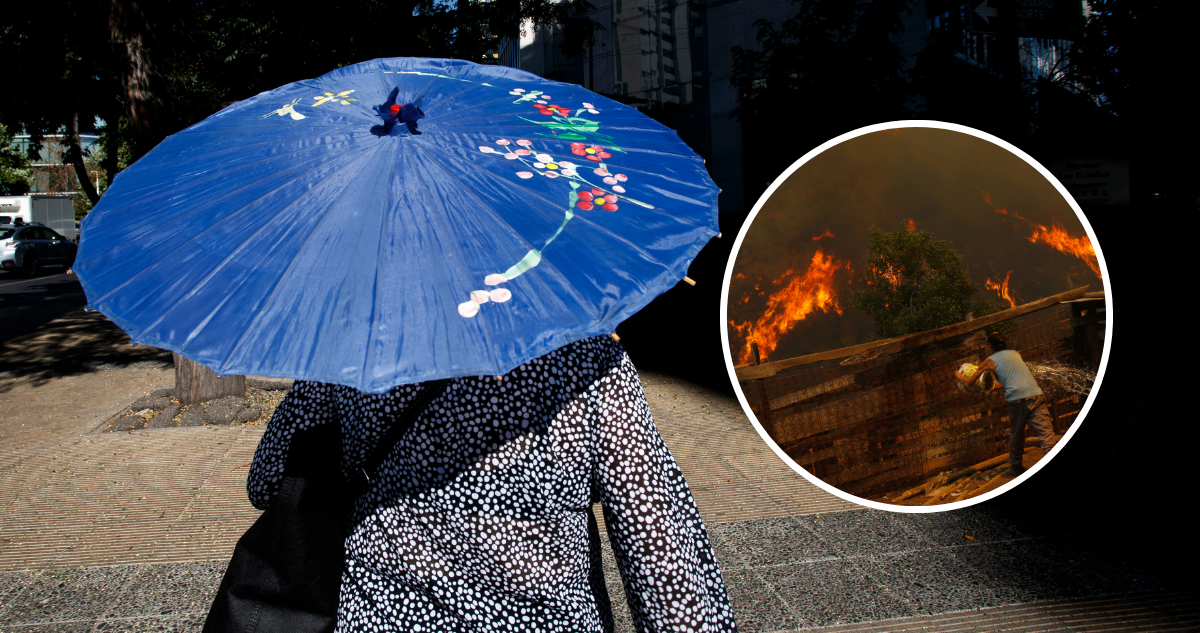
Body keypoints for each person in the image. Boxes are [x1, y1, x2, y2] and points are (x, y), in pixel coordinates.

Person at [247, 334, 737, 632]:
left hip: (381, 617)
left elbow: (266, 482)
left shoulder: (351, 348)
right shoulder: (585, 357)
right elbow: (658, 546)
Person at [960, 333, 1057, 477]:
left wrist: (957, 375)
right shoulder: (1016, 354)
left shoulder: (988, 361)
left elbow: (969, 383)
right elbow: (1011, 380)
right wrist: (991, 385)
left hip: (1017, 400)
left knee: (1016, 434)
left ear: (990, 346)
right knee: (1046, 432)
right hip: (1035, 394)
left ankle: (1016, 466)